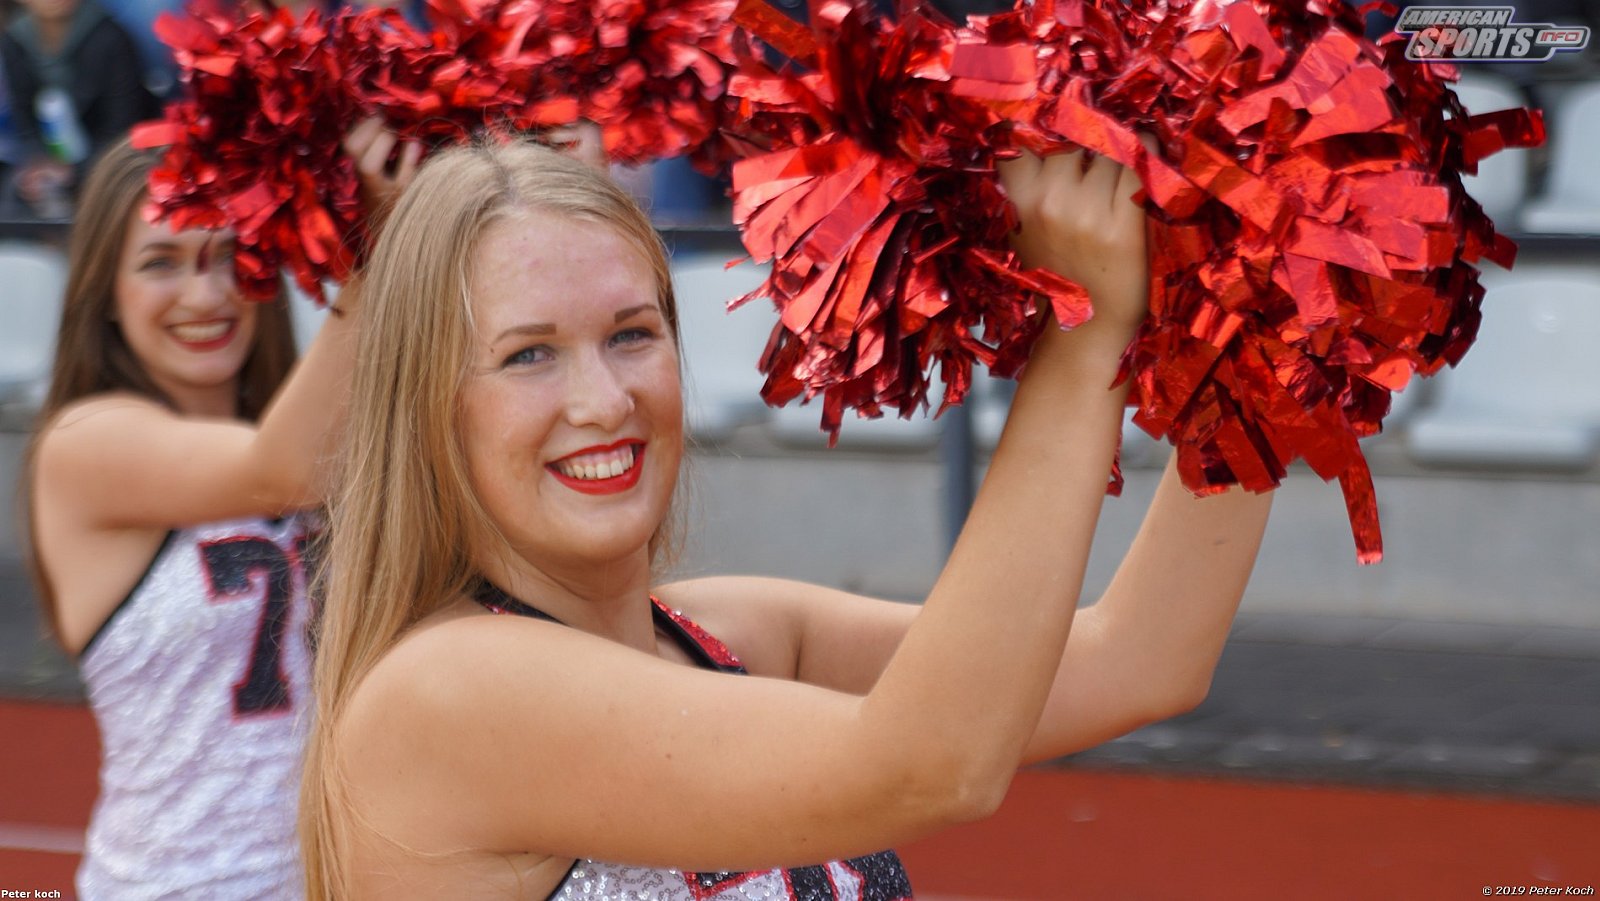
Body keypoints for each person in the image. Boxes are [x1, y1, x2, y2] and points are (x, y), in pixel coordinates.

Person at [300, 140, 1275, 899]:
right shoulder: (444, 693)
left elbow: (1141, 658)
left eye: (632, 335)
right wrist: (1082, 326)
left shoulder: (729, 634)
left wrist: (1269, 325)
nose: (603, 400)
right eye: (528, 355)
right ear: (425, 405)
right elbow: (934, 767)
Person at [21, 120, 418, 899]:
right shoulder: (84, 445)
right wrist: (380, 244)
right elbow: (281, 471)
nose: (205, 294)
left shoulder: (318, 432)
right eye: (161, 263)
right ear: (105, 290)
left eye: (227, 256)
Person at [0, 0, 158, 214]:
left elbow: (123, 124)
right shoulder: (14, 40)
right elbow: (25, 120)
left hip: (109, 156)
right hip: (51, 162)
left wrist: (75, 170)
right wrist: (40, 164)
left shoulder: (110, 37)